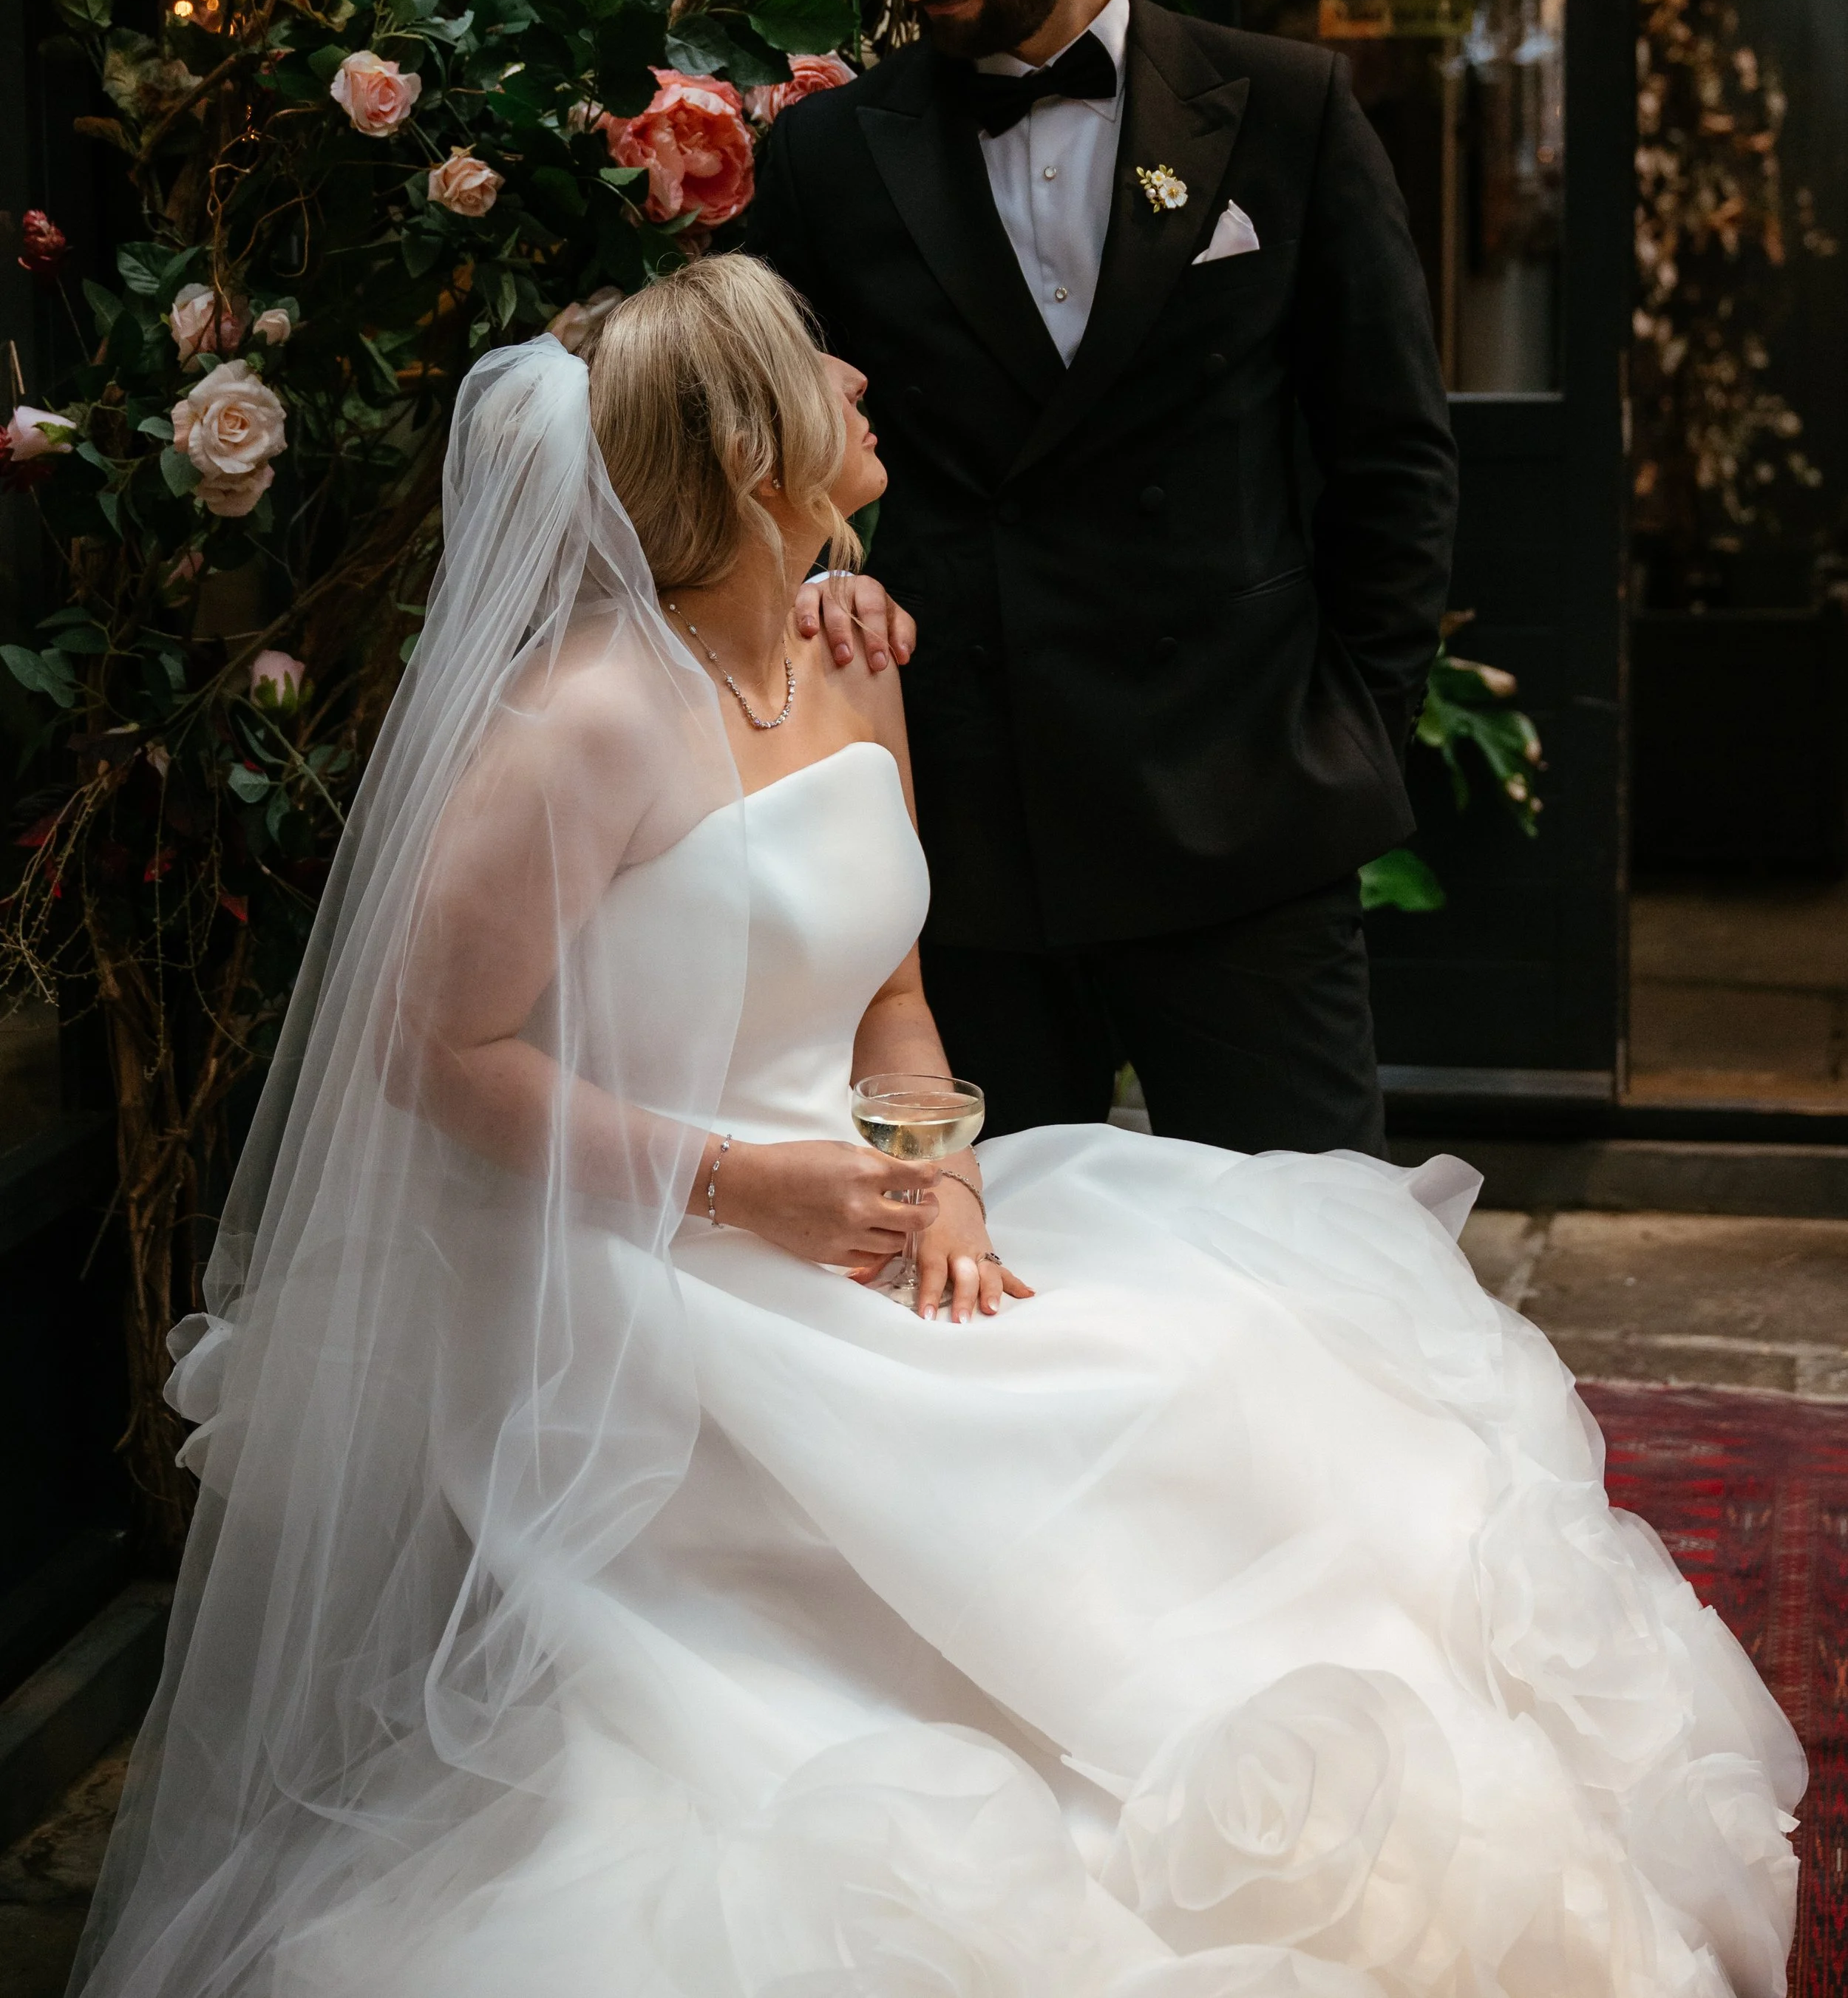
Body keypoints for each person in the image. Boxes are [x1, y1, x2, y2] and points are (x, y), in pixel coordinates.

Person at [75, 258, 1800, 1998]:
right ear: (755, 447)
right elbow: (428, 1050)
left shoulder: (844, 656)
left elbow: (891, 996)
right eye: (822, 363)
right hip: (654, 1283)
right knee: (1079, 1443)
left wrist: (943, 1184)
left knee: (1232, 1367)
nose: (861, 375)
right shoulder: (577, 722)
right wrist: (748, 1186)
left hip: (873, 1213)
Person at [750, 0, 1458, 1157]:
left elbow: (1388, 456)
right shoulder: (825, 159)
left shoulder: (1285, 110)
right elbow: (758, 469)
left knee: (1305, 1279)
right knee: (990, 1301)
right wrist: (834, 606)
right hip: (960, 830)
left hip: (1244, 812)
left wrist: (1349, 738)